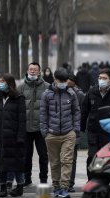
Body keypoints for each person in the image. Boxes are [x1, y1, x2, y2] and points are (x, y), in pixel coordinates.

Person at [40, 68, 80, 198]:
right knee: (55, 162)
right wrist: (45, 131)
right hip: (51, 134)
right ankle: (56, 187)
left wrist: (75, 130)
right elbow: (43, 114)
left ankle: (64, 188)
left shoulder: (71, 93)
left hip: (68, 133)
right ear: (55, 79)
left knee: (66, 161)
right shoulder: (46, 94)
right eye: (61, 80)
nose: (63, 83)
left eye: (65, 81)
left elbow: (76, 112)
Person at [0, 73, 26, 197]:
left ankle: (19, 187)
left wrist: (20, 136)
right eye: (0, 81)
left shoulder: (19, 98)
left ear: (10, 83)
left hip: (13, 137)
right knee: (0, 164)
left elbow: (22, 120)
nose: (0, 83)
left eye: (3, 81)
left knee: (17, 164)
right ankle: (2, 187)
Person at [81, 68, 110, 180]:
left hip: (109, 133)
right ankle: (91, 181)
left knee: (106, 158)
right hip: (93, 131)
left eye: (104, 78)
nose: (101, 80)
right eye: (100, 78)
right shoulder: (92, 92)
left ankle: (105, 182)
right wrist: (81, 128)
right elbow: (84, 110)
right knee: (91, 157)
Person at [18, 62, 49, 186]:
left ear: (39, 72)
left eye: (35, 70)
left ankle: (43, 180)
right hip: (25, 128)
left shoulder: (47, 87)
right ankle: (27, 179)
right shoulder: (20, 87)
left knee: (43, 156)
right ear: (27, 70)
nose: (32, 71)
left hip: (41, 128)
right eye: (30, 69)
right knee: (26, 156)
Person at [66, 74, 85, 193]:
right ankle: (61, 182)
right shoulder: (58, 92)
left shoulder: (80, 95)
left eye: (69, 80)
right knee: (61, 159)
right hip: (60, 130)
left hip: (73, 130)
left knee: (72, 159)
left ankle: (70, 183)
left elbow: (82, 113)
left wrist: (78, 129)